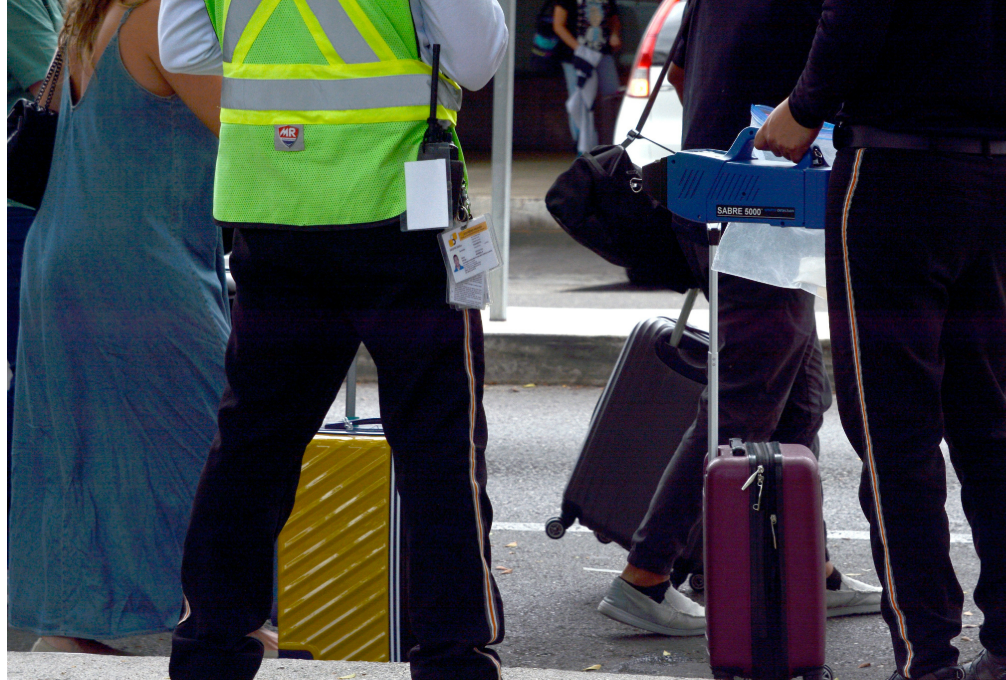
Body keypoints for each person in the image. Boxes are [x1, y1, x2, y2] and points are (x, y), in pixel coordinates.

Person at [157, 0, 508, 678]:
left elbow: (182, 49)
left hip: (271, 203)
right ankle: (452, 655)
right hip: (399, 204)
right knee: (438, 444)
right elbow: (477, 58)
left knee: (253, 442)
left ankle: (212, 648)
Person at [753, 1, 1006, 678]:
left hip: (894, 172)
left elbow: (855, 17)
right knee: (987, 417)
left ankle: (927, 659)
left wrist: (804, 108)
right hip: (1000, 174)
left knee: (894, 433)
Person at [596, 0, 882, 638]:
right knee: (747, 391)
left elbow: (678, 70)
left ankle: (804, 565)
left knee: (802, 393)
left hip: (728, 191)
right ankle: (648, 572)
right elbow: (839, 58)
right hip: (758, 203)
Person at [7, 0, 232, 656]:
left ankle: (78, 635)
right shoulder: (164, 17)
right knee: (217, 458)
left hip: (65, 251)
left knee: (82, 464)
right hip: (140, 262)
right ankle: (224, 624)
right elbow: (251, 132)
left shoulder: (92, 12)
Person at [7, 0, 63, 507]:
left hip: (45, 206)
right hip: (23, 207)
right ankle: (20, 527)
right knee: (34, 380)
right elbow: (64, 93)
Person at [551, 0, 621, 152]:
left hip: (603, 53)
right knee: (580, 99)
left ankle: (612, 142)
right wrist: (581, 51)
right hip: (575, 57)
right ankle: (581, 147)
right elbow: (558, 25)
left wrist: (615, 35)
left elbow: (614, 19)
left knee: (612, 96)